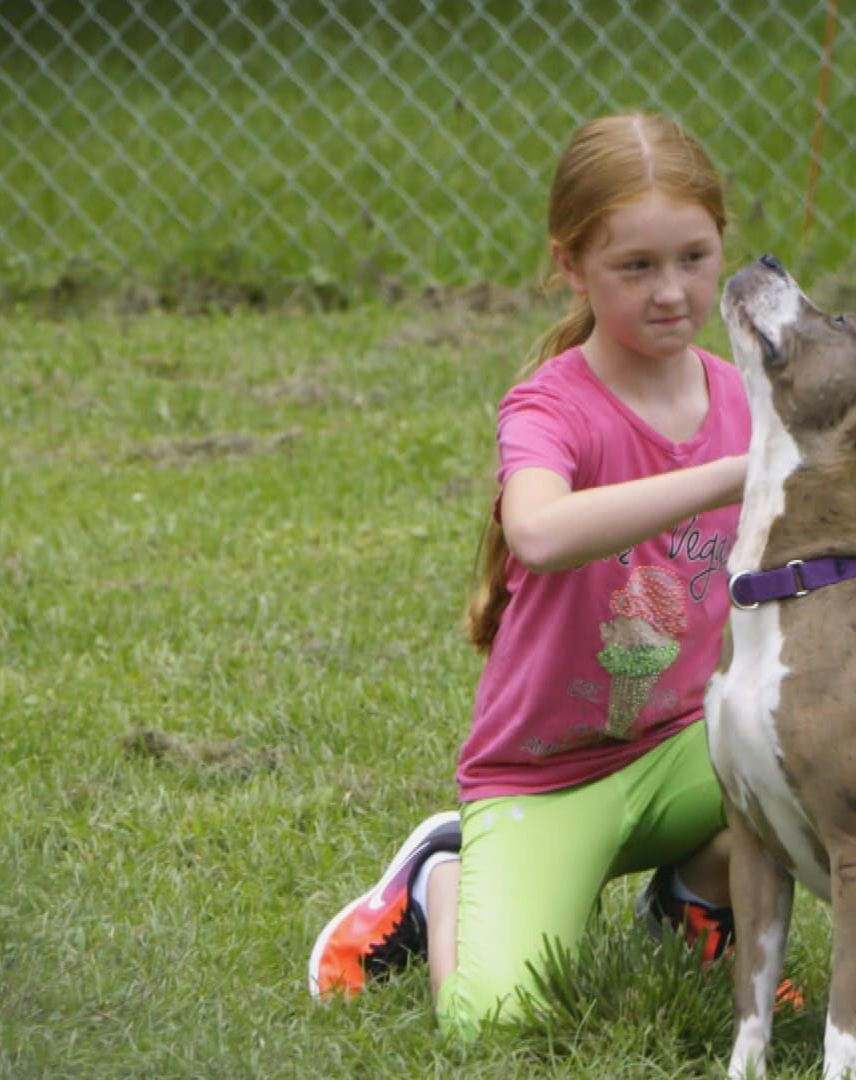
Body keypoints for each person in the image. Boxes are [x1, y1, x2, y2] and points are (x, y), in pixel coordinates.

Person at [309, 112, 755, 1038]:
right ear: (570, 264)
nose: (671, 292)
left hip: (684, 752)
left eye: (694, 257)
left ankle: (695, 903)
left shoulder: (743, 396)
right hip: (544, 778)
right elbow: (541, 531)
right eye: (635, 267)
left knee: (831, 761)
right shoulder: (551, 404)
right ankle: (444, 873)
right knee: (493, 1026)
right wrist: (725, 476)